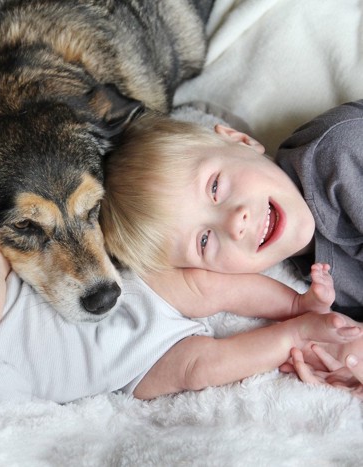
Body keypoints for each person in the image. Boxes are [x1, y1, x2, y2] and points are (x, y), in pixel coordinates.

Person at [0, 202, 363, 403]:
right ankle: (290, 336)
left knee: (205, 286)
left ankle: (294, 306)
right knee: (201, 369)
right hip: (129, 370)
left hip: (133, 298)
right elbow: (18, 395)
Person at [99, 107, 363, 392]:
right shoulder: (312, 283)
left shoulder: (341, 155)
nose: (234, 222)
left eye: (215, 187)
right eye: (204, 240)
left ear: (241, 140)